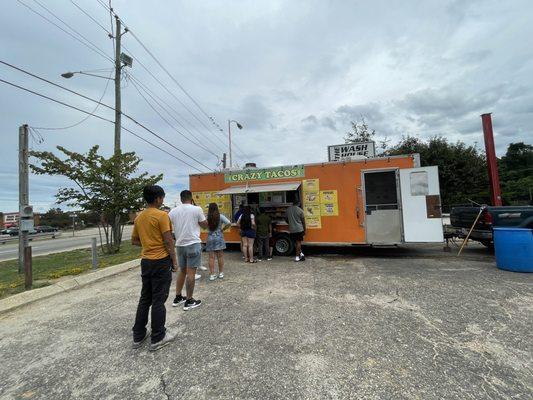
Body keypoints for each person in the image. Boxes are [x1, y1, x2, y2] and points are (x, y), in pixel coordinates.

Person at [131, 185, 177, 352]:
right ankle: (158, 336)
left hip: (146, 261)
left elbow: (134, 241)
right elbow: (168, 241)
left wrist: (148, 243)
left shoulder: (139, 217)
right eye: (162, 198)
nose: (163, 200)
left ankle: (138, 335)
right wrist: (174, 260)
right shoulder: (161, 216)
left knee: (145, 298)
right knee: (159, 299)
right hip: (160, 261)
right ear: (158, 198)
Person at [168, 190, 207, 310]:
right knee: (191, 273)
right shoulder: (197, 209)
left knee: (182, 271)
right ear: (191, 198)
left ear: (180, 199)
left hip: (179, 245)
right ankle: (189, 300)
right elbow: (204, 225)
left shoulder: (172, 211)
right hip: (193, 243)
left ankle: (178, 297)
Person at [206, 203, 231, 281]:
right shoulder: (220, 216)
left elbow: (203, 225)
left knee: (211, 257)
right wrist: (223, 229)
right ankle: (220, 273)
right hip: (219, 236)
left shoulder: (207, 217)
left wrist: (208, 228)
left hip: (210, 237)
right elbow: (228, 223)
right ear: (217, 208)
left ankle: (212, 274)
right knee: (220, 256)